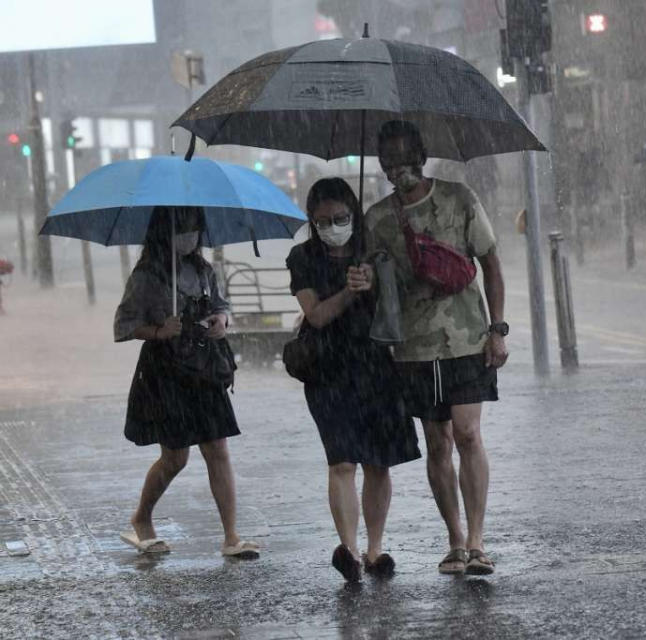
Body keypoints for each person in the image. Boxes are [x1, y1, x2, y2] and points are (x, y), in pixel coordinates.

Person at [364, 120, 508, 576]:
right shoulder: (378, 218)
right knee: (437, 441)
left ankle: (479, 540)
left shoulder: (460, 198)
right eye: (389, 159)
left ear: (421, 155)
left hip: (467, 337)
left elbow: (491, 263)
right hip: (413, 348)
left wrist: (497, 329)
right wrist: (366, 281)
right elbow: (374, 285)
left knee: (467, 433)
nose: (397, 167)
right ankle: (455, 541)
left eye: (405, 156)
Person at [286, 178, 421, 582]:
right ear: (312, 220)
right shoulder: (302, 257)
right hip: (328, 370)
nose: (333, 225)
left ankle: (374, 548)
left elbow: (400, 307)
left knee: (378, 463)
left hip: (377, 367)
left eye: (341, 217)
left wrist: (376, 280)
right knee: (342, 461)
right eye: (324, 219)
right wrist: (348, 292)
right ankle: (348, 549)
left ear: (353, 214)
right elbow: (316, 316)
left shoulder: (375, 252)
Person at [114, 207, 259, 559]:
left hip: (205, 368)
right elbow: (123, 324)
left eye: (195, 227)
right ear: (165, 230)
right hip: (167, 373)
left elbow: (223, 305)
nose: (190, 234)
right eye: (183, 226)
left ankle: (230, 536)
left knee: (217, 449)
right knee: (175, 457)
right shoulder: (147, 275)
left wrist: (221, 321)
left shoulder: (204, 270)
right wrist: (160, 330)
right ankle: (141, 518)